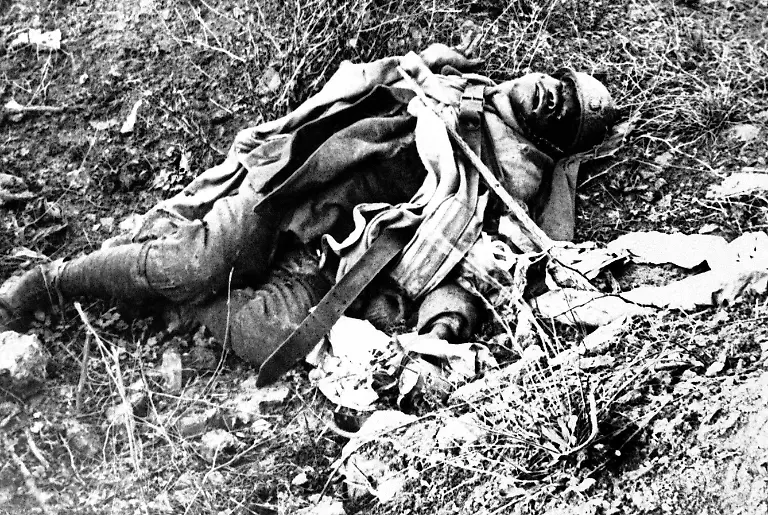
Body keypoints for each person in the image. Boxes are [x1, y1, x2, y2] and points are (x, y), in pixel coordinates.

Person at [0, 42, 616, 381]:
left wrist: (444, 321)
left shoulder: (507, 185)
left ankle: (173, 284)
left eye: (566, 112)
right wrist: (423, 94)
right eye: (561, 84)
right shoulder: (448, 80)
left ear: (554, 140)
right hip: (289, 195)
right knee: (205, 265)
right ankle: (47, 284)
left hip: (329, 261)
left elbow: (472, 266)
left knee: (283, 342)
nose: (554, 96)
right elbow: (356, 89)